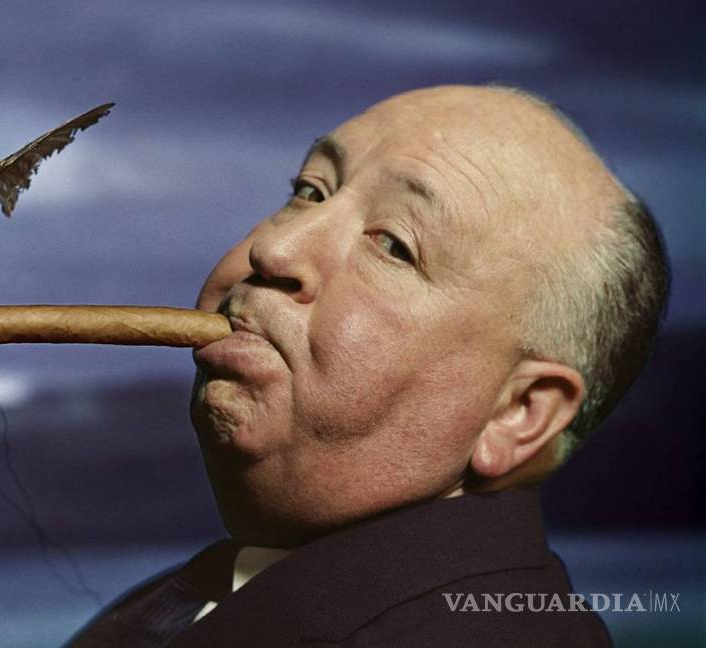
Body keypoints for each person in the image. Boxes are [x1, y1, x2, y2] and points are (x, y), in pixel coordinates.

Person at [67, 84, 669, 647]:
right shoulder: (212, 591)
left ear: (517, 413)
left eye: (395, 245)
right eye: (309, 191)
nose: (273, 249)